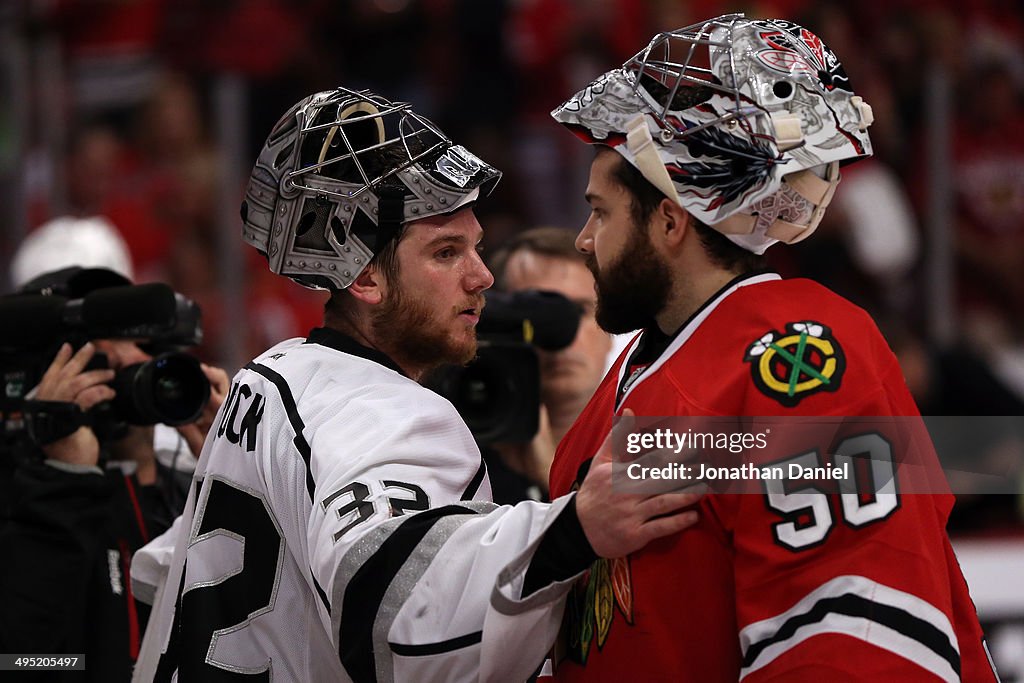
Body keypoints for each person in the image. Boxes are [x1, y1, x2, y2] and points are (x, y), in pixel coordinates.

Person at [130, 86, 704, 683]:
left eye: (476, 248)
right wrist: (570, 532)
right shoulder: (381, 412)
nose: (481, 277)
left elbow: (156, 576)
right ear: (366, 277)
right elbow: (399, 618)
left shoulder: (269, 375)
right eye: (446, 253)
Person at [545, 14, 998, 681]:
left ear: (670, 219)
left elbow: (855, 640)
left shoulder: (801, 359)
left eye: (601, 211)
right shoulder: (628, 385)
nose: (584, 239)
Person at [0, 266, 228, 682]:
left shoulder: (186, 487)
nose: (125, 358)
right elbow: (18, 660)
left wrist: (226, 471)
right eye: (90, 349)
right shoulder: (23, 495)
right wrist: (63, 478)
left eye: (136, 339)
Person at [485, 227, 612, 501]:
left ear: (611, 329)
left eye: (579, 310)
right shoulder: (459, 449)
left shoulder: (654, 439)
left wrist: (551, 475)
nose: (559, 336)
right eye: (537, 313)